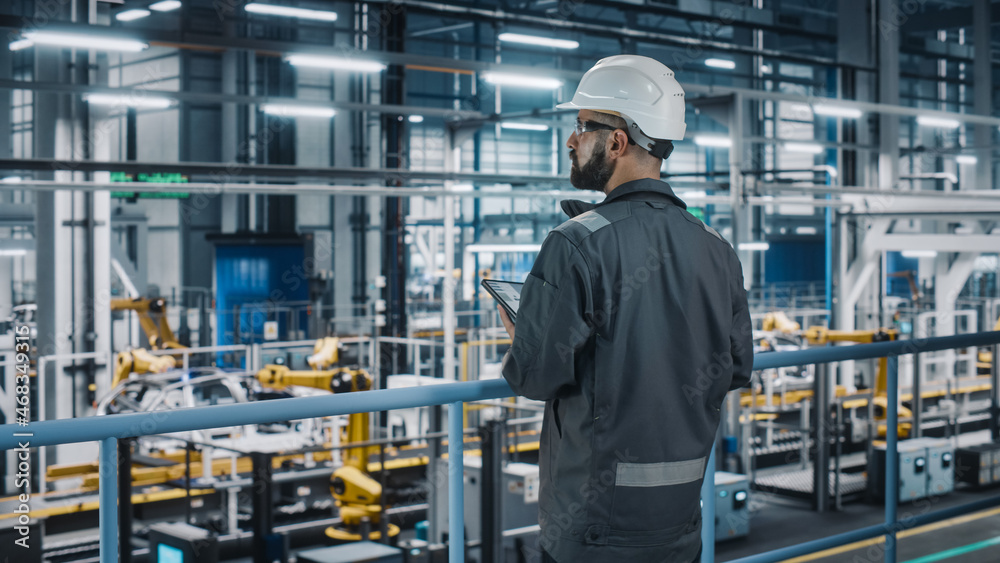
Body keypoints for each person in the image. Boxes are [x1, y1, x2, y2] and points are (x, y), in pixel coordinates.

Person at [497, 55, 754, 563]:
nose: (571, 140)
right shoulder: (715, 246)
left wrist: (525, 333)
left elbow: (533, 377)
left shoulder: (575, 243)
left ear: (617, 141)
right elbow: (738, 367)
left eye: (581, 126)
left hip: (592, 531)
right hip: (680, 522)